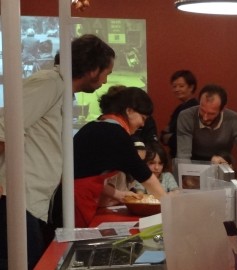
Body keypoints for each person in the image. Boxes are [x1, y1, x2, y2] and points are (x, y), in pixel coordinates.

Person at [0, 34, 115, 268]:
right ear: (93, 69)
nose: (105, 80)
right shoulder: (50, 82)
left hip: (33, 200)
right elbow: (5, 127)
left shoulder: (61, 89)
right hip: (18, 197)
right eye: (106, 73)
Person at [50, 87, 167, 228]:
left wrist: (118, 194)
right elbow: (145, 176)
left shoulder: (94, 126)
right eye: (143, 118)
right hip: (75, 202)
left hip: (69, 198)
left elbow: (89, 173)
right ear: (129, 111)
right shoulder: (116, 134)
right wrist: (168, 206)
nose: (143, 124)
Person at [176, 84, 237, 182]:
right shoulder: (186, 117)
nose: (205, 117)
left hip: (223, 169)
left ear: (222, 109)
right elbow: (183, 155)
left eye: (211, 113)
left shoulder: (235, 120)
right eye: (202, 110)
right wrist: (187, 184)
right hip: (194, 169)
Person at [160, 70, 199, 158]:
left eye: (181, 86)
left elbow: (184, 137)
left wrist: (170, 137)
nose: (177, 89)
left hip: (189, 158)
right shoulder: (179, 108)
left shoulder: (194, 109)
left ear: (191, 87)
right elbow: (163, 135)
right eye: (174, 86)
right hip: (177, 157)